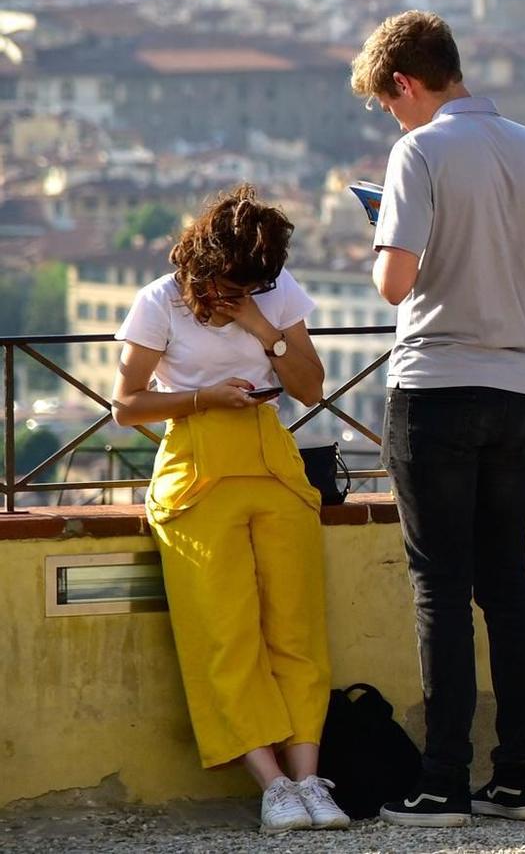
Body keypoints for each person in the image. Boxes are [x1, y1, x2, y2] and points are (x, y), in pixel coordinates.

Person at [350, 10, 525, 827]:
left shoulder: (418, 150)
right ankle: (522, 774)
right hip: (517, 389)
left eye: (389, 104)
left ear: (406, 84)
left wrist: (386, 227)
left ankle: (442, 780)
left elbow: (393, 282)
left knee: (440, 590)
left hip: (437, 384)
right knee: (508, 586)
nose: (394, 117)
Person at [112, 186, 345, 833]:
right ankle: (271, 785)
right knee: (225, 633)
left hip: (273, 456)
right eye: (238, 277)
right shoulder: (159, 300)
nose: (250, 285)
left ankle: (308, 778)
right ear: (209, 259)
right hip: (195, 463)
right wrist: (204, 398)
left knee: (296, 628)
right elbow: (125, 404)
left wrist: (262, 326)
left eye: (259, 278)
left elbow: (311, 385)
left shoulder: (275, 291)